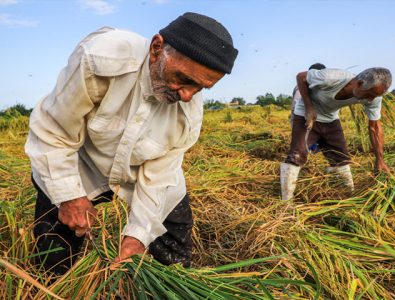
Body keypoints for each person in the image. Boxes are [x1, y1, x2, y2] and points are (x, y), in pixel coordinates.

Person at [25, 12, 238, 274]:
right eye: (184, 79)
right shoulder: (102, 59)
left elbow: (160, 177)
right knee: (54, 245)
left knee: (173, 249)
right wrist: (69, 197)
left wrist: (137, 235)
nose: (187, 95)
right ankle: (52, 284)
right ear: (156, 48)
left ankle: (168, 285)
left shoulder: (188, 115)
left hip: (140, 170)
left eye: (201, 88)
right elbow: (53, 130)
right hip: (82, 160)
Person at [280, 67, 392, 200]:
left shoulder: (374, 97)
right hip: (306, 114)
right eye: (369, 94)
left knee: (341, 158)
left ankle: (347, 194)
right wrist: (309, 107)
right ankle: (286, 202)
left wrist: (379, 160)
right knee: (297, 155)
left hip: (330, 118)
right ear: (360, 83)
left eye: (374, 96)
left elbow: (374, 127)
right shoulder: (331, 77)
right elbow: (301, 77)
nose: (370, 100)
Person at [290, 63, 326, 154]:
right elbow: (297, 105)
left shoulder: (317, 87)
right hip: (303, 119)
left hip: (313, 118)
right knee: (304, 143)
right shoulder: (301, 87)